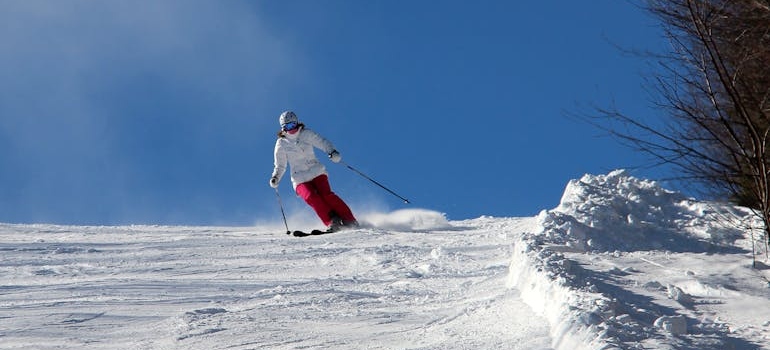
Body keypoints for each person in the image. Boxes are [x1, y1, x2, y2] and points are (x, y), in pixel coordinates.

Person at [269, 111, 358, 232]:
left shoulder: (306, 134)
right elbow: (280, 165)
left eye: (293, 125)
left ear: (297, 123)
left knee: (326, 195)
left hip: (316, 171)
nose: (292, 129)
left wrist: (332, 152)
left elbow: (322, 142)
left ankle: (349, 219)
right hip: (299, 178)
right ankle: (332, 221)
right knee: (311, 197)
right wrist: (276, 177)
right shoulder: (281, 143)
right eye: (288, 126)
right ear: (283, 128)